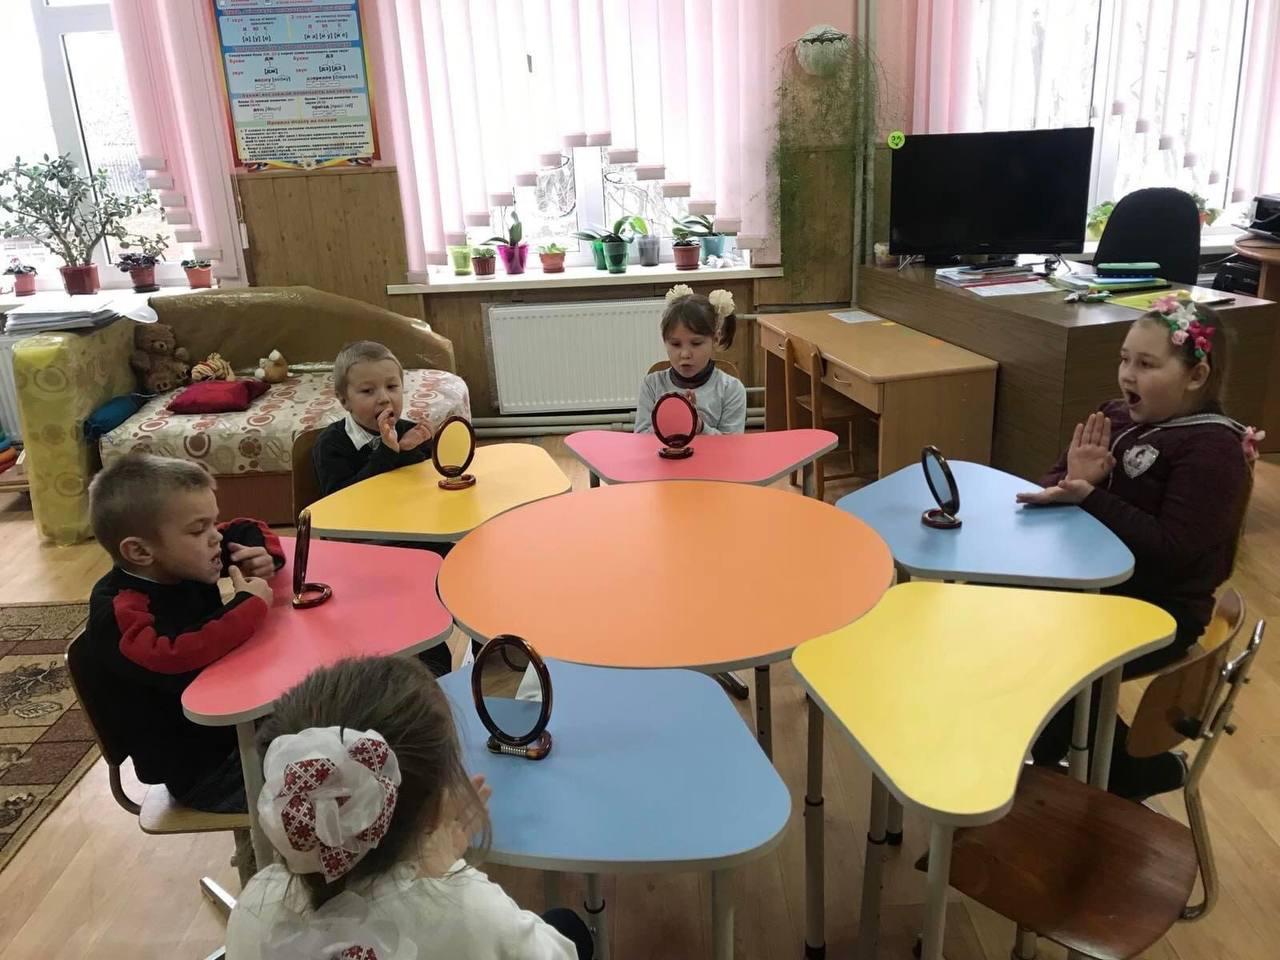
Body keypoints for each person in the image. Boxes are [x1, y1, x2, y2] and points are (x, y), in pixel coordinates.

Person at [1018, 297, 1261, 799]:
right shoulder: (1115, 415)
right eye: (1125, 358)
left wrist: (1090, 496)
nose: (1128, 374)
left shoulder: (1213, 450)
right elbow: (1057, 480)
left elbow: (1172, 547)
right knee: (1000, 622)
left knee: (1040, 658)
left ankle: (1126, 772)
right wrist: (1070, 480)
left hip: (1158, 609)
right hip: (1094, 586)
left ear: (1196, 376)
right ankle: (1064, 755)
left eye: (1147, 364)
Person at [226, 656, 592, 960]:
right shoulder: (470, 915)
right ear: (433, 814)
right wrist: (455, 872)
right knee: (568, 927)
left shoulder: (255, 905)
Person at [85, 453, 284, 814]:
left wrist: (260, 554)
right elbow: (173, 655)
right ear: (140, 550)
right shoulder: (119, 610)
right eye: (198, 530)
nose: (215, 538)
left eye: (212, 522)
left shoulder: (181, 559)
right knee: (343, 783)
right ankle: (267, 849)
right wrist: (247, 607)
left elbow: (243, 528)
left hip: (242, 726)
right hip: (207, 771)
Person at [312, 341, 434, 498]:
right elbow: (341, 500)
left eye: (391, 387)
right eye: (368, 390)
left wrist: (407, 449)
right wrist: (387, 451)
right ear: (344, 400)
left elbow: (426, 487)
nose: (384, 398)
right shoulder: (330, 444)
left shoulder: (412, 433)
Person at [635, 285, 746, 435]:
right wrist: (668, 418)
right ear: (664, 341)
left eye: (696, 343)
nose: (685, 354)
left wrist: (699, 426)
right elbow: (640, 440)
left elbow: (732, 445)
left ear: (715, 339)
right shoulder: (652, 385)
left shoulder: (731, 389)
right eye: (675, 344)